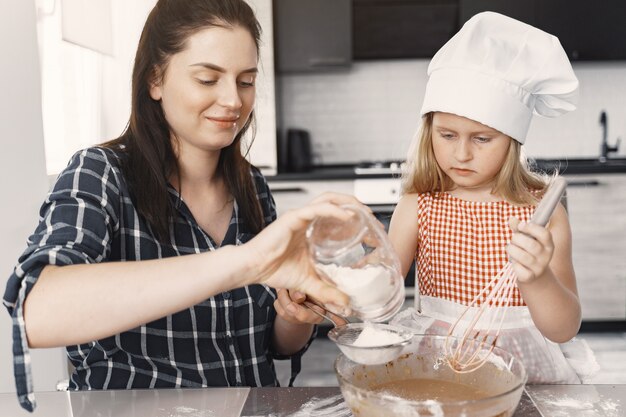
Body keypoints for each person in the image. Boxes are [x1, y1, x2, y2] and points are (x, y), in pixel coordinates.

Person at [3, 0, 360, 411]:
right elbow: (37, 311)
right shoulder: (101, 174)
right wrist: (242, 262)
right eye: (208, 79)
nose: (232, 100)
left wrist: (294, 317)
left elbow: (271, 346)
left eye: (245, 81)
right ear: (155, 79)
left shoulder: (252, 186)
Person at [388, 12, 596, 384]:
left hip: (524, 373)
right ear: (429, 129)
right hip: (442, 366)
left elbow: (563, 329)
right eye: (447, 135)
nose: (462, 154)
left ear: (513, 140)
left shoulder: (540, 214)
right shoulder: (419, 204)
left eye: (482, 139)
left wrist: (537, 279)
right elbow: (382, 294)